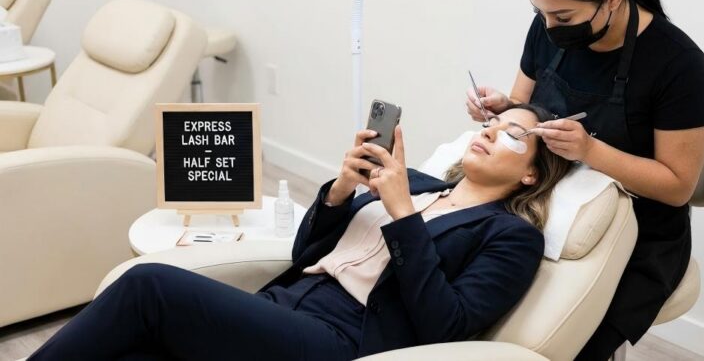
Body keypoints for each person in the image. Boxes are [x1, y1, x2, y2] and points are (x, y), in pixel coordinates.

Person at [30, 104, 571, 361]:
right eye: (489, 126)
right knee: (137, 354)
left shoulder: (511, 237)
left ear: (531, 173)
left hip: (344, 341)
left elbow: (448, 324)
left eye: (512, 135)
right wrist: (339, 190)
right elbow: (304, 251)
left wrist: (403, 213)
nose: (490, 134)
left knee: (149, 285)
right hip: (286, 306)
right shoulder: (422, 183)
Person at [465, 0, 704, 359]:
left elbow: (677, 187)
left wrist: (590, 149)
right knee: (468, 305)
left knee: (564, 345)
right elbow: (525, 113)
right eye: (539, 13)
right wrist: (504, 110)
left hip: (638, 231)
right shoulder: (549, 29)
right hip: (542, 202)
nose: (548, 27)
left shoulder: (677, 64)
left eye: (562, 17)